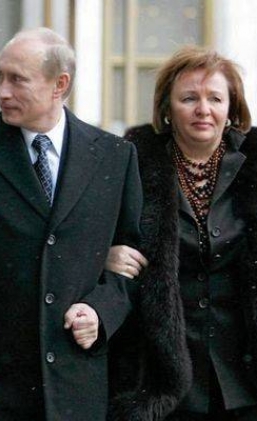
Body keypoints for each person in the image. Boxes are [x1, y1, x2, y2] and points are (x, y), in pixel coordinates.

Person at [0, 27, 142, 421]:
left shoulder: (115, 156)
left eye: (17, 79)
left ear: (59, 84)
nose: (3, 91)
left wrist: (101, 312)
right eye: (0, 77)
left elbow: (132, 262)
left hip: (75, 379)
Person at [106, 46, 257, 420]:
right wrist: (104, 254)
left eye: (215, 98)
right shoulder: (131, 163)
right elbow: (84, 229)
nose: (203, 109)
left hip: (244, 377)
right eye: (189, 98)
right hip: (160, 379)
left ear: (231, 109)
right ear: (167, 109)